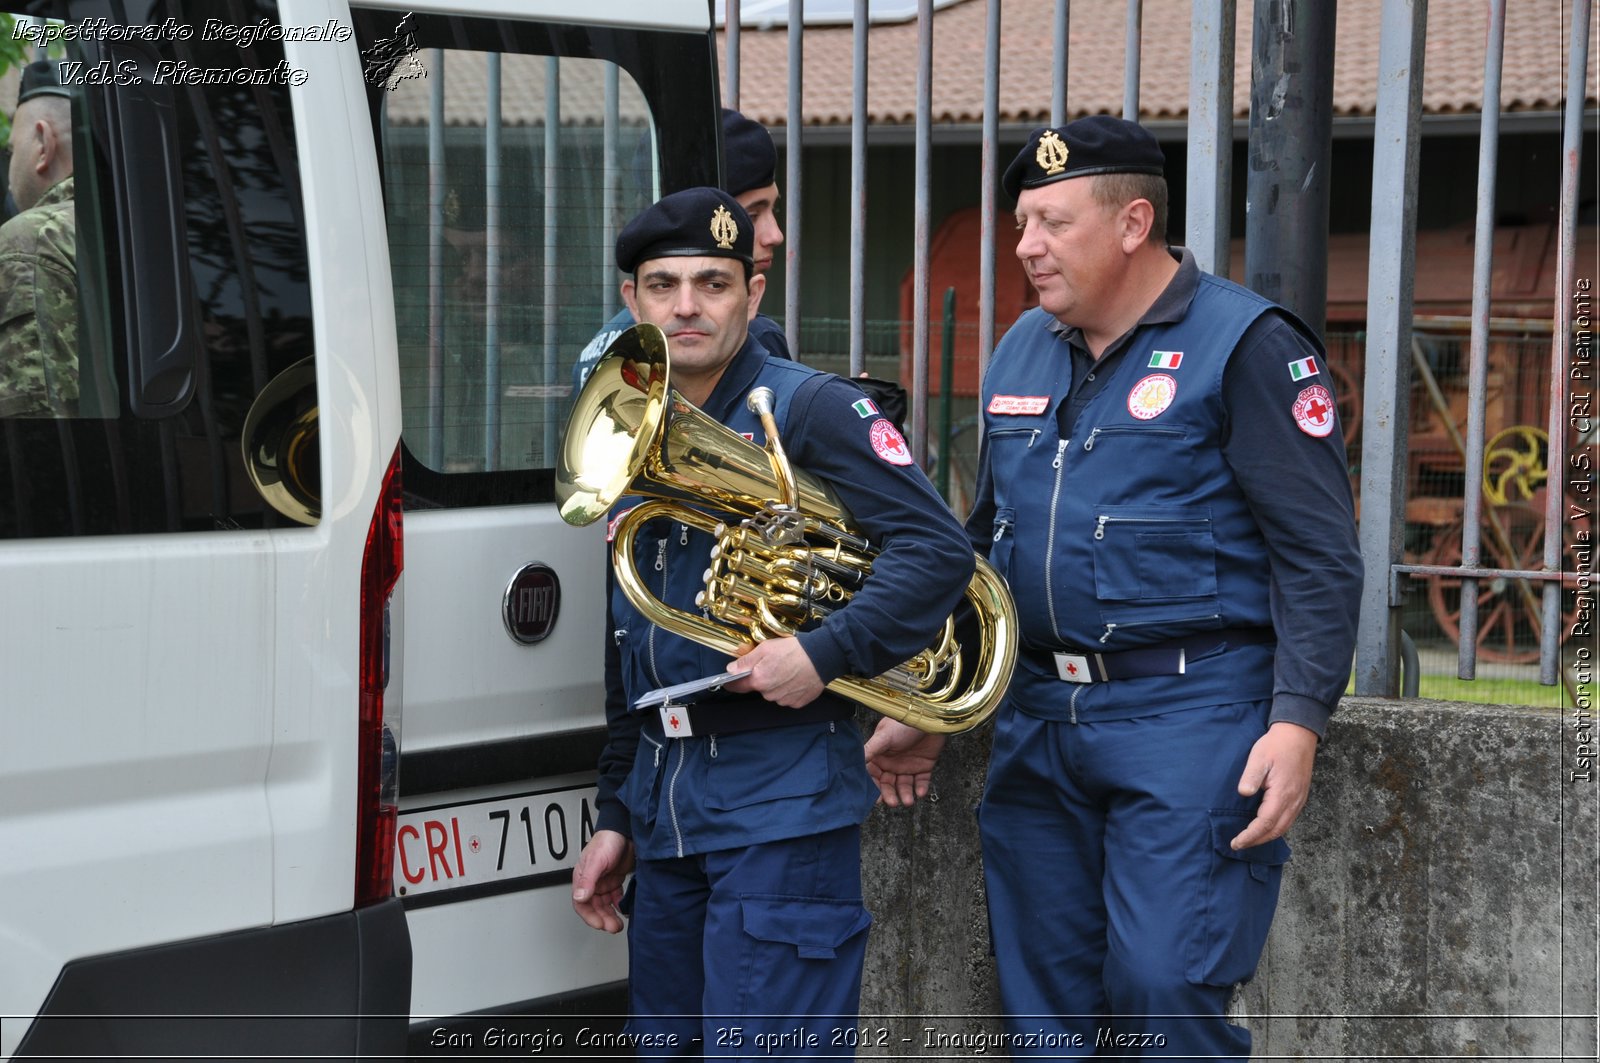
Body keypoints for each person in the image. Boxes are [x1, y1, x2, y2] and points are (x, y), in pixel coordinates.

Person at [864, 116, 1362, 1059]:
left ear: (1134, 223)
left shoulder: (1245, 345)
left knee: (1161, 989)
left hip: (1189, 716)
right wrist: (935, 701)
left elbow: (1320, 555)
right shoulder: (1021, 346)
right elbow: (984, 545)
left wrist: (1298, 722)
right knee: (1042, 1009)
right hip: (1038, 715)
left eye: (1051, 223)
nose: (1026, 247)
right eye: (1021, 224)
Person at [569, 186, 973, 1057]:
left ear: (753, 296)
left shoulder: (811, 408)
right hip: (665, 807)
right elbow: (632, 635)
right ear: (632, 301)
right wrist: (616, 811)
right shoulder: (632, 427)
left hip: (780, 805)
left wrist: (823, 652)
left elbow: (939, 553)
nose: (686, 304)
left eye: (713, 283)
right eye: (663, 283)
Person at [572, 108, 788, 391]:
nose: (776, 235)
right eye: (752, 216)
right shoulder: (747, 337)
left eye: (774, 209)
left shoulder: (601, 346)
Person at [0, 59, 77, 418]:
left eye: (12, 150)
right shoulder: (137, 228)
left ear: (44, 144)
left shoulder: (32, 239)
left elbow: (31, 426)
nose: (10, 167)